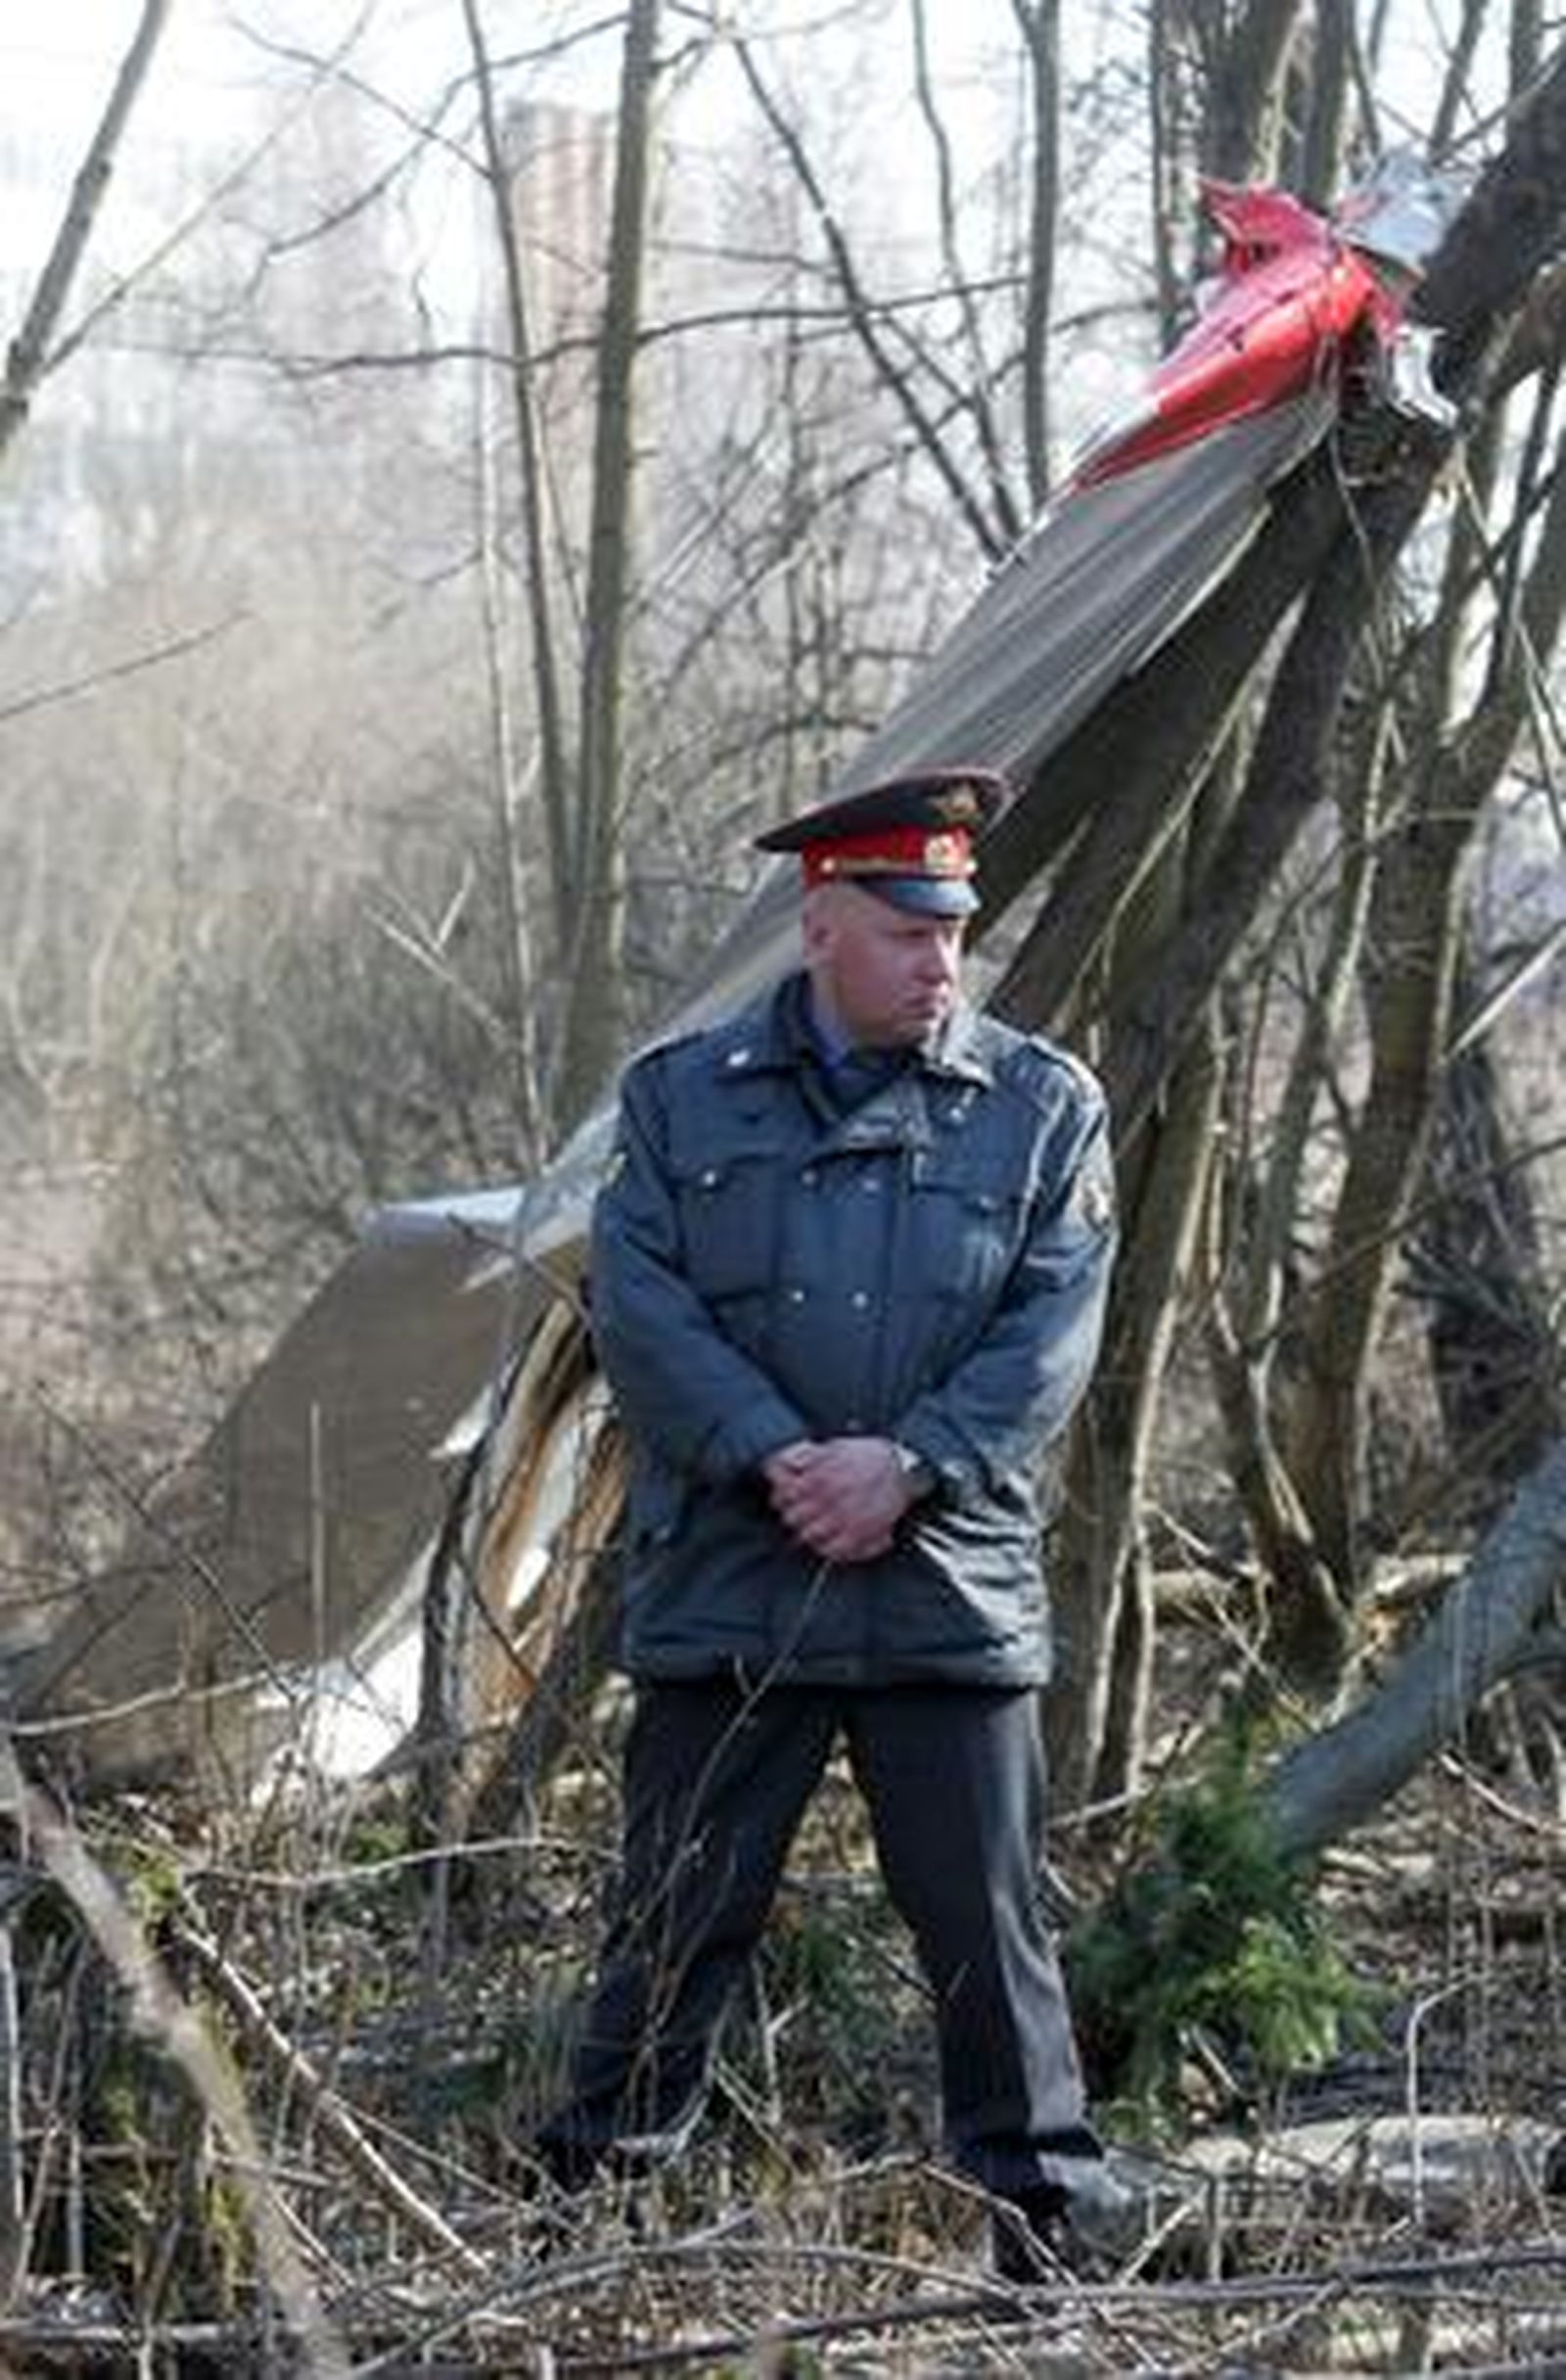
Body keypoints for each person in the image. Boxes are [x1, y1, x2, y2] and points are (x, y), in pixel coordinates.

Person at [534, 766, 1130, 2273]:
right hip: (740, 1578)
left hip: (946, 1591)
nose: (945, 960)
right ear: (822, 925)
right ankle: (584, 2243)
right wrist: (775, 1455)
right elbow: (641, 1307)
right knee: (675, 1928)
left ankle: (1049, 2247)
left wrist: (910, 1465)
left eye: (958, 931)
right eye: (910, 929)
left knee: (994, 1951)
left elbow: (1052, 1334)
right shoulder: (680, 1100)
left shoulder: (1044, 1107)